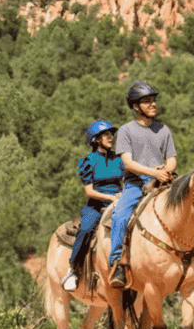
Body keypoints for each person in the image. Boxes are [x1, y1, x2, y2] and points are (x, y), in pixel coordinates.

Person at [107, 82, 177, 289]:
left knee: (193, 202)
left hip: (163, 181)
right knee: (120, 215)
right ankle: (118, 262)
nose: (153, 104)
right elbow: (128, 163)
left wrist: (166, 171)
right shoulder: (126, 131)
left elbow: (172, 158)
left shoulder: (163, 129)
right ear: (136, 106)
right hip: (136, 184)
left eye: (153, 100)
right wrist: (153, 172)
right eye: (147, 101)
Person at [61, 120, 123, 291]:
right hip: (96, 204)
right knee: (86, 229)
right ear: (96, 139)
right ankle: (72, 270)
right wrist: (110, 198)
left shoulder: (118, 159)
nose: (111, 137)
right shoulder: (88, 161)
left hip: (119, 200)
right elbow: (89, 191)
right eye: (107, 134)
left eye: (112, 134)